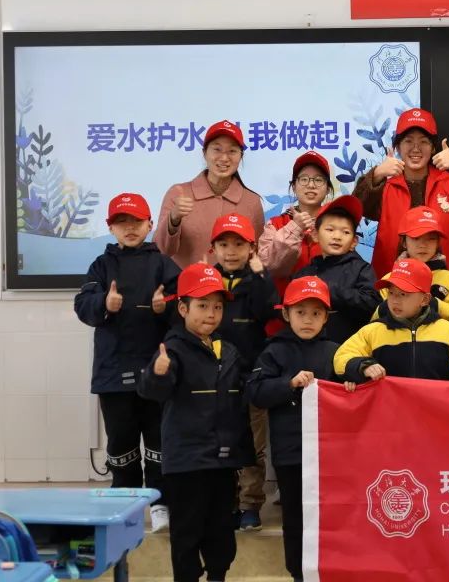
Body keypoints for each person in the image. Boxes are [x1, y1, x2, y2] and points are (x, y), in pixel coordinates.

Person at [139, 263, 254, 582]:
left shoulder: (228, 350)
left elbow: (244, 391)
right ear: (183, 308)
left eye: (217, 307)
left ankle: (218, 575)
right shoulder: (172, 349)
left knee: (221, 528)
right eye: (202, 306)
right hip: (187, 462)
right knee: (187, 531)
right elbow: (152, 391)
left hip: (223, 461)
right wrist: (157, 374)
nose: (211, 314)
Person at [74, 193, 179, 533]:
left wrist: (166, 308)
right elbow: (83, 306)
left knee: (159, 439)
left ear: (150, 224)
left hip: (156, 371)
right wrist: (105, 303)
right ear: (110, 228)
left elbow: (187, 308)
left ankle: (161, 502)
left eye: (137, 221)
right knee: (121, 441)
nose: (130, 228)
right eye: (122, 222)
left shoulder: (163, 264)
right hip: (113, 371)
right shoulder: (101, 266)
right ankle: (124, 503)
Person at [246, 276, 340, 582]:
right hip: (291, 454)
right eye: (300, 312)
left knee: (331, 516)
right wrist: (288, 384)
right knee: (296, 517)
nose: (308, 320)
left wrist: (353, 381)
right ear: (286, 314)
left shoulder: (337, 351)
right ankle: (298, 574)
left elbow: (353, 389)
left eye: (316, 313)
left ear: (326, 317)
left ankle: (331, 570)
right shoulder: (274, 351)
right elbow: (256, 392)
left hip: (330, 455)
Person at [209, 213, 282, 532]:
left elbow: (268, 312)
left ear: (251, 248)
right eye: (224, 245)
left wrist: (261, 275)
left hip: (251, 374)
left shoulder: (258, 279)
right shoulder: (207, 279)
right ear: (213, 248)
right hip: (213, 378)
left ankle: (250, 503)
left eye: (238, 244)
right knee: (219, 441)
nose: (231, 251)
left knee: (253, 444)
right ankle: (225, 502)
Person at [354, 108, 449, 279]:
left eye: (423, 142)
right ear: (397, 146)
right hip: (395, 284)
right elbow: (356, 208)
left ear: (433, 147)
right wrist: (377, 174)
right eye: (408, 141)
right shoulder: (385, 187)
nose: (416, 148)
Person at [334, 258, 449, 390]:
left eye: (403, 294)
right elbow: (341, 357)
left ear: (425, 300)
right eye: (391, 293)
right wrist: (363, 366)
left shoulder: (448, 330)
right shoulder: (372, 330)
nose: (395, 300)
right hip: (390, 411)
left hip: (435, 411)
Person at [156, 120, 264, 270]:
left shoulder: (251, 201)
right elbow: (161, 251)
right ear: (204, 153)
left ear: (241, 156)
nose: (224, 158)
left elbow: (256, 256)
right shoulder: (178, 193)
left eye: (232, 151)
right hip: (185, 284)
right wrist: (173, 219)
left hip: (234, 285)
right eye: (217, 149)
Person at [257, 150, 331, 333]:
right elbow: (268, 266)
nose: (311, 185)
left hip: (326, 321)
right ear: (294, 186)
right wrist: (296, 228)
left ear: (328, 188)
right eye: (304, 179)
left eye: (318, 180)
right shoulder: (275, 224)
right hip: (281, 322)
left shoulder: (336, 226)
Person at [291, 195, 380, 344]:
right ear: (315, 235)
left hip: (348, 349)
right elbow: (290, 309)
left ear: (354, 242)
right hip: (307, 348)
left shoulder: (361, 269)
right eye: (330, 229)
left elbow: (372, 303)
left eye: (346, 232)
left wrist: (329, 289)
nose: (337, 236)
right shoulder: (305, 273)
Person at [376, 206, 449, 325]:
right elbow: (375, 320)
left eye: (431, 239)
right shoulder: (388, 280)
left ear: (438, 243)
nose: (423, 245)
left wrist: (429, 302)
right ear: (404, 242)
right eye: (416, 238)